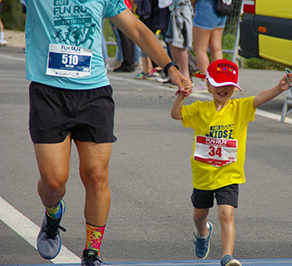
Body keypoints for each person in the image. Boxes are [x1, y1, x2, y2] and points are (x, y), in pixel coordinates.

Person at [24, 1, 191, 265]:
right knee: (54, 184)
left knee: (97, 174)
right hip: (48, 92)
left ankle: (92, 252)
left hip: (94, 92)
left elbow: (135, 28)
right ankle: (53, 214)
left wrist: (170, 67)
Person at [171, 59, 292, 266]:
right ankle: (203, 233)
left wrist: (279, 88)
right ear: (209, 85)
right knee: (199, 215)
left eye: (229, 85)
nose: (223, 89)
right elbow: (176, 115)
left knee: (226, 213)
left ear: (235, 88)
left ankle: (227, 256)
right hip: (203, 174)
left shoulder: (240, 108)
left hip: (228, 174)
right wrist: (181, 97)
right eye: (218, 84)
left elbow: (259, 98)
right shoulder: (200, 109)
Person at [190, 0, 227, 93]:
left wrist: (193, 5)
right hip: (221, 6)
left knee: (200, 49)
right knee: (216, 48)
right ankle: (218, 79)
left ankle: (205, 81)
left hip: (205, 5)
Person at [163, 0, 193, 87]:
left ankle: (186, 77)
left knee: (180, 43)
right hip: (166, 7)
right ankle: (177, 74)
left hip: (179, 6)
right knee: (171, 42)